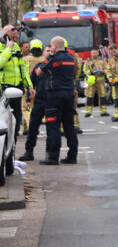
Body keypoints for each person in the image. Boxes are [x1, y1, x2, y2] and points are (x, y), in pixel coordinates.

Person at [35, 36, 78, 165]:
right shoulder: (71, 59)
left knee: (53, 126)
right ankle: (72, 156)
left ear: (54, 47)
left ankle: (53, 157)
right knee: (69, 126)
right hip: (69, 94)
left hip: (55, 96)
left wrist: (48, 57)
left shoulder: (53, 59)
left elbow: (39, 72)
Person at [19, 43, 52, 162]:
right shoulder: (38, 67)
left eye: (50, 51)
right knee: (33, 127)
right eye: (47, 51)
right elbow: (31, 85)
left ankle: (50, 154)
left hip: (52, 102)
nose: (48, 53)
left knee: (51, 129)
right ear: (43, 53)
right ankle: (29, 152)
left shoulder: (55, 66)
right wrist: (28, 100)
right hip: (39, 101)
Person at [0, 24, 33, 140]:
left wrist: (30, 86)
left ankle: (12, 143)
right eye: (12, 38)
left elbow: (23, 68)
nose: (15, 40)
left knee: (17, 118)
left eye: (16, 38)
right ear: (5, 36)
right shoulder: (3, 47)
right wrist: (8, 49)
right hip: (3, 89)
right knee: (3, 119)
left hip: (16, 89)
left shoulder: (16, 47)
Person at [83, 48, 109, 117]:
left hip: (101, 80)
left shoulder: (102, 61)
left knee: (103, 96)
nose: (94, 54)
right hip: (92, 81)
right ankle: (88, 111)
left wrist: (103, 71)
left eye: (95, 53)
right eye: (93, 53)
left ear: (98, 53)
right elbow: (85, 70)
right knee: (90, 96)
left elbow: (107, 69)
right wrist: (91, 72)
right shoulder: (88, 61)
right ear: (91, 54)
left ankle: (103, 111)